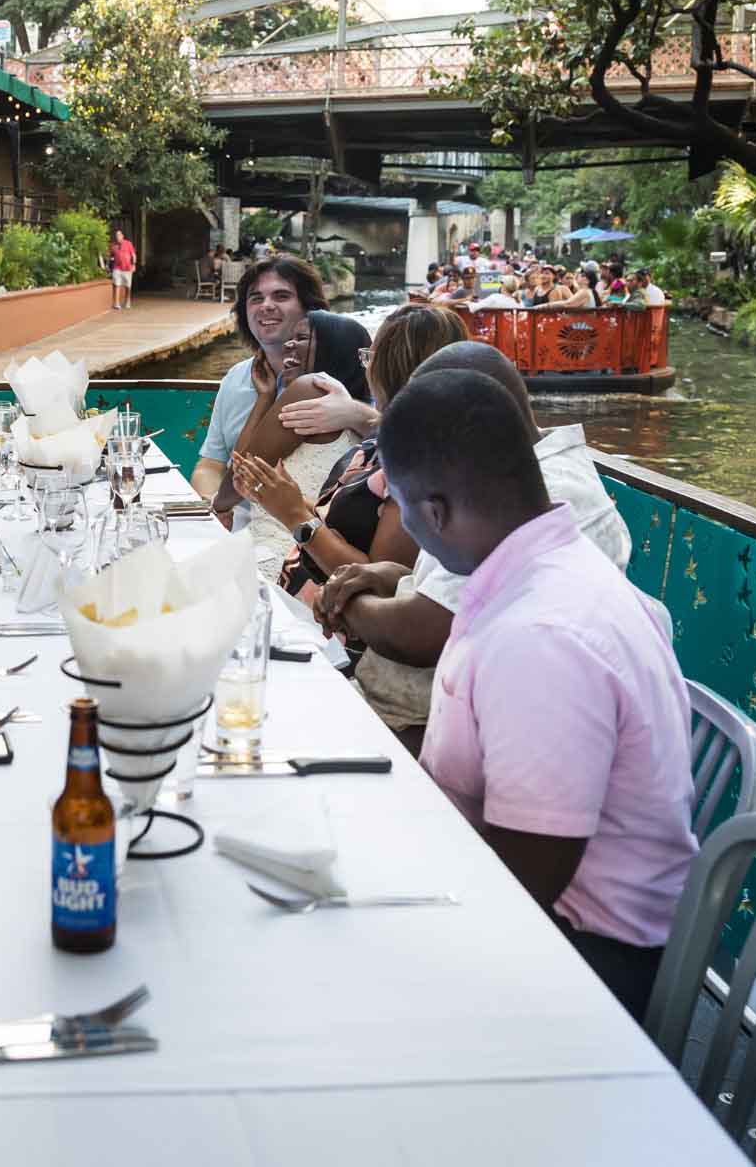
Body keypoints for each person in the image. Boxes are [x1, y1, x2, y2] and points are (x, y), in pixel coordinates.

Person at [375, 368, 697, 1017]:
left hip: (582, 962)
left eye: (406, 511)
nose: (410, 528)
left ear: (435, 511)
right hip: (538, 911)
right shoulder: (540, 573)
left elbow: (520, 889)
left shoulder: (540, 637)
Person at [317, 340, 631, 750]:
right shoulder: (494, 482)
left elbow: (428, 632)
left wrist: (344, 605)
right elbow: (458, 592)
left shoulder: (550, 495)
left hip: (429, 731)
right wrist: (391, 577)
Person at [232, 303, 467, 601]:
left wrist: (293, 515)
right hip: (303, 591)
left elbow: (380, 580)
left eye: (370, 359)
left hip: (332, 627)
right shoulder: (383, 439)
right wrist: (278, 496)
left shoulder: (419, 464)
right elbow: (334, 521)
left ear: (388, 370)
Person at [190, 255, 373, 518]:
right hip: (242, 521)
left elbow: (394, 436)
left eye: (281, 296)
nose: (266, 306)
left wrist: (355, 413)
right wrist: (214, 508)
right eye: (256, 298)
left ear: (310, 310)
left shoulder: (335, 382)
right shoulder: (236, 378)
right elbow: (212, 465)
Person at [108, 227, 137, 312]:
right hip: (117, 268)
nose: (117, 237)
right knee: (117, 284)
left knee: (128, 286)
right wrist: (109, 263)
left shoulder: (128, 243)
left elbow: (133, 255)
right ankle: (116, 303)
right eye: (116, 235)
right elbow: (110, 256)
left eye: (119, 235)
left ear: (122, 236)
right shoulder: (113, 246)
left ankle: (127, 300)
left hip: (127, 268)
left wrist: (134, 264)